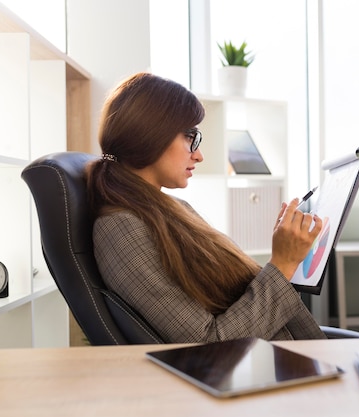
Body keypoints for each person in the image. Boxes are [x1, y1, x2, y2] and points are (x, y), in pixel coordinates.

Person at [86, 72, 326, 343]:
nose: (199, 155)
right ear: (150, 134)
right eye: (191, 137)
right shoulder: (121, 229)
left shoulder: (172, 208)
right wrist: (282, 264)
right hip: (264, 372)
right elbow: (209, 344)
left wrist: (286, 253)